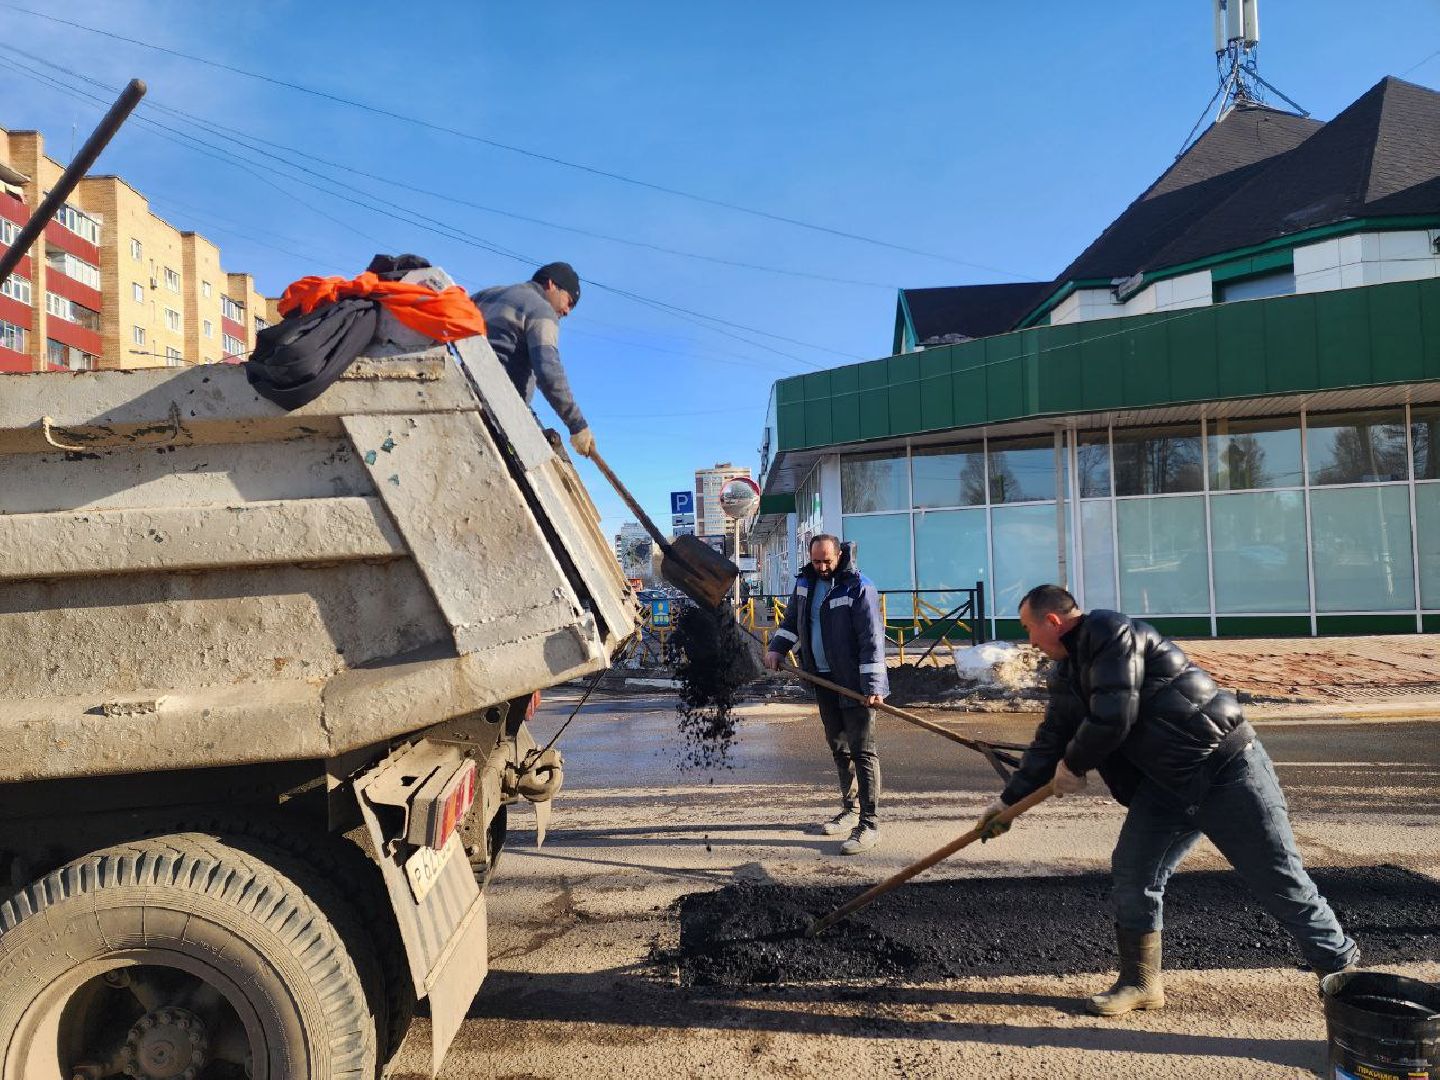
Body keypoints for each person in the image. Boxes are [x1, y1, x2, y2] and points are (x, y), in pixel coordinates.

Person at [979, 584, 1358, 1016]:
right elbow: (1051, 739)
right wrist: (1007, 804)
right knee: (1133, 871)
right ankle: (1140, 983)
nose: (1029, 640)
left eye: (1028, 628)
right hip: (1166, 786)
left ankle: (1346, 982)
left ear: (1052, 621)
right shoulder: (1067, 673)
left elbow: (1113, 716)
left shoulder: (1110, 632)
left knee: (1279, 881)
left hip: (1224, 770)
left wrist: (1075, 763)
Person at [763, 535, 889, 854]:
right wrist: (777, 648)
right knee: (839, 748)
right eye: (816, 561)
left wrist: (874, 686)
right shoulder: (805, 583)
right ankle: (850, 810)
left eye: (827, 561)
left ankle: (869, 824)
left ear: (840, 555)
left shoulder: (858, 587)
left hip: (854, 684)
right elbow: (792, 621)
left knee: (863, 751)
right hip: (822, 679)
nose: (821, 567)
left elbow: (871, 639)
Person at [471, 262, 595, 459]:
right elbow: (548, 370)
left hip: (466, 388)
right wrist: (577, 424)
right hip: (498, 412)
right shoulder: (541, 309)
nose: (567, 311)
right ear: (551, 284)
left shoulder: (486, 295)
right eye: (569, 302)